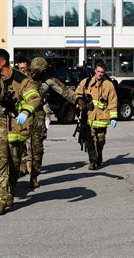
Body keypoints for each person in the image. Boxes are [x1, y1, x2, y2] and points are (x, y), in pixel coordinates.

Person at [0, 49, 41, 215]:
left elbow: (35, 98)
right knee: (0, 164)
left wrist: (25, 112)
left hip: (16, 126)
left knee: (14, 165)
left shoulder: (22, 80)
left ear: (3, 62)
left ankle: (11, 192)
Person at [27, 57, 86, 188]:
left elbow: (64, 90)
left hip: (38, 115)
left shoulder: (48, 80)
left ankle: (34, 175)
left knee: (37, 148)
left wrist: (77, 99)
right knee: (18, 147)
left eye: (39, 71)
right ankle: (19, 171)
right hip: (21, 115)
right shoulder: (22, 78)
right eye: (33, 70)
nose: (35, 73)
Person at [75, 61, 118, 170]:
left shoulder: (109, 85)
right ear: (95, 71)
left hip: (102, 118)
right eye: (98, 71)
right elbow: (77, 93)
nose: (100, 74)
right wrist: (80, 100)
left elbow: (113, 101)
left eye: (102, 72)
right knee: (90, 140)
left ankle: (99, 154)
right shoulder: (86, 82)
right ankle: (92, 161)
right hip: (88, 117)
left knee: (100, 140)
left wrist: (113, 117)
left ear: (104, 72)